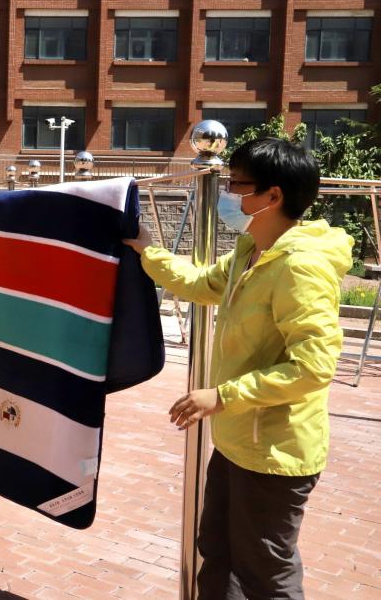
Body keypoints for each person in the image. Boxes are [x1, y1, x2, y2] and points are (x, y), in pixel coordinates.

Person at [123, 136, 352, 599]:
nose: (227, 194)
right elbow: (199, 282)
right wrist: (147, 250)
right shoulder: (251, 251)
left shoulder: (299, 267)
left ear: (273, 195)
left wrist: (223, 395)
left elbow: (313, 367)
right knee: (219, 555)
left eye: (237, 185)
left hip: (274, 454)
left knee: (265, 573)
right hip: (236, 442)